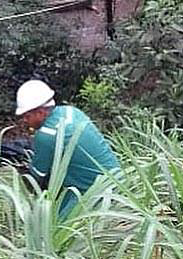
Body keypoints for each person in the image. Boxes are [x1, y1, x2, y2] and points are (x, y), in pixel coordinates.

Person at [15, 79, 120, 217]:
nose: (25, 121)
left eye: (27, 116)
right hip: (117, 178)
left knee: (56, 230)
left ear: (40, 112)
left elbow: (37, 178)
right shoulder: (72, 111)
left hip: (96, 193)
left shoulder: (46, 135)